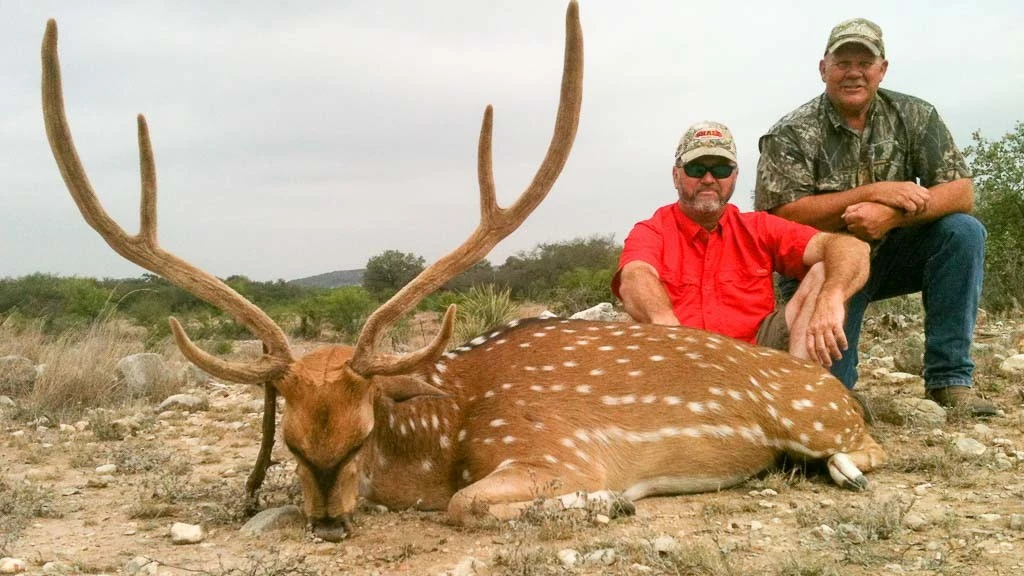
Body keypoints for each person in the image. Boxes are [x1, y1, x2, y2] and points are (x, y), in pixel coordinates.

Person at [754, 18, 995, 416]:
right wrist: (871, 192)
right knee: (831, 398)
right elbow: (781, 217)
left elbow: (961, 192)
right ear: (823, 69)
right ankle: (836, 386)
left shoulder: (916, 115)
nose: (853, 73)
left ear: (882, 70)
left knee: (963, 232)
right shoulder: (790, 133)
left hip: (896, 254)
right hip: (827, 268)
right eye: (842, 62)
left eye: (864, 63)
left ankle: (950, 380)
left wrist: (891, 217)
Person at [613, 121, 870, 369]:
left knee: (825, 271)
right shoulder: (652, 230)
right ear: (676, 175)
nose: (709, 179)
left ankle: (799, 394)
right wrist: (663, 320)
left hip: (757, 358)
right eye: (696, 168)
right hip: (681, 358)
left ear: (735, 176)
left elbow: (851, 248)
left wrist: (833, 296)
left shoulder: (758, 227)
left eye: (721, 169)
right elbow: (636, 275)